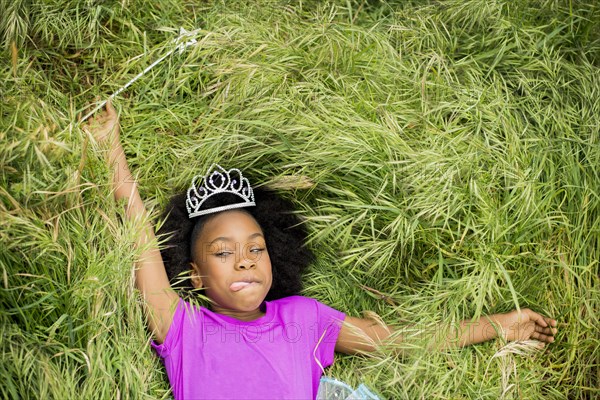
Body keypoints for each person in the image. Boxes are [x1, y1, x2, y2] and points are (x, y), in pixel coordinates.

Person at [84, 101, 558, 400]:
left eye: (256, 248)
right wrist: (110, 150)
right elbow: (140, 236)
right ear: (194, 275)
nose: (246, 259)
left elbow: (395, 343)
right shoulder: (182, 326)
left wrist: (502, 325)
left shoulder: (303, 319)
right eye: (223, 253)